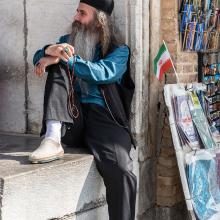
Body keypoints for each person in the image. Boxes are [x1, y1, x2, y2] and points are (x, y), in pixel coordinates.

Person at [29, 0, 137, 219]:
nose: (76, 17)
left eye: (82, 13)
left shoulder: (120, 51)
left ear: (99, 21)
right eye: (77, 12)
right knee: (59, 62)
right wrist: (51, 51)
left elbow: (102, 73)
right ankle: (52, 138)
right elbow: (36, 58)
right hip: (71, 116)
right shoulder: (66, 43)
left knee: (122, 170)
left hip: (105, 119)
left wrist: (62, 59)